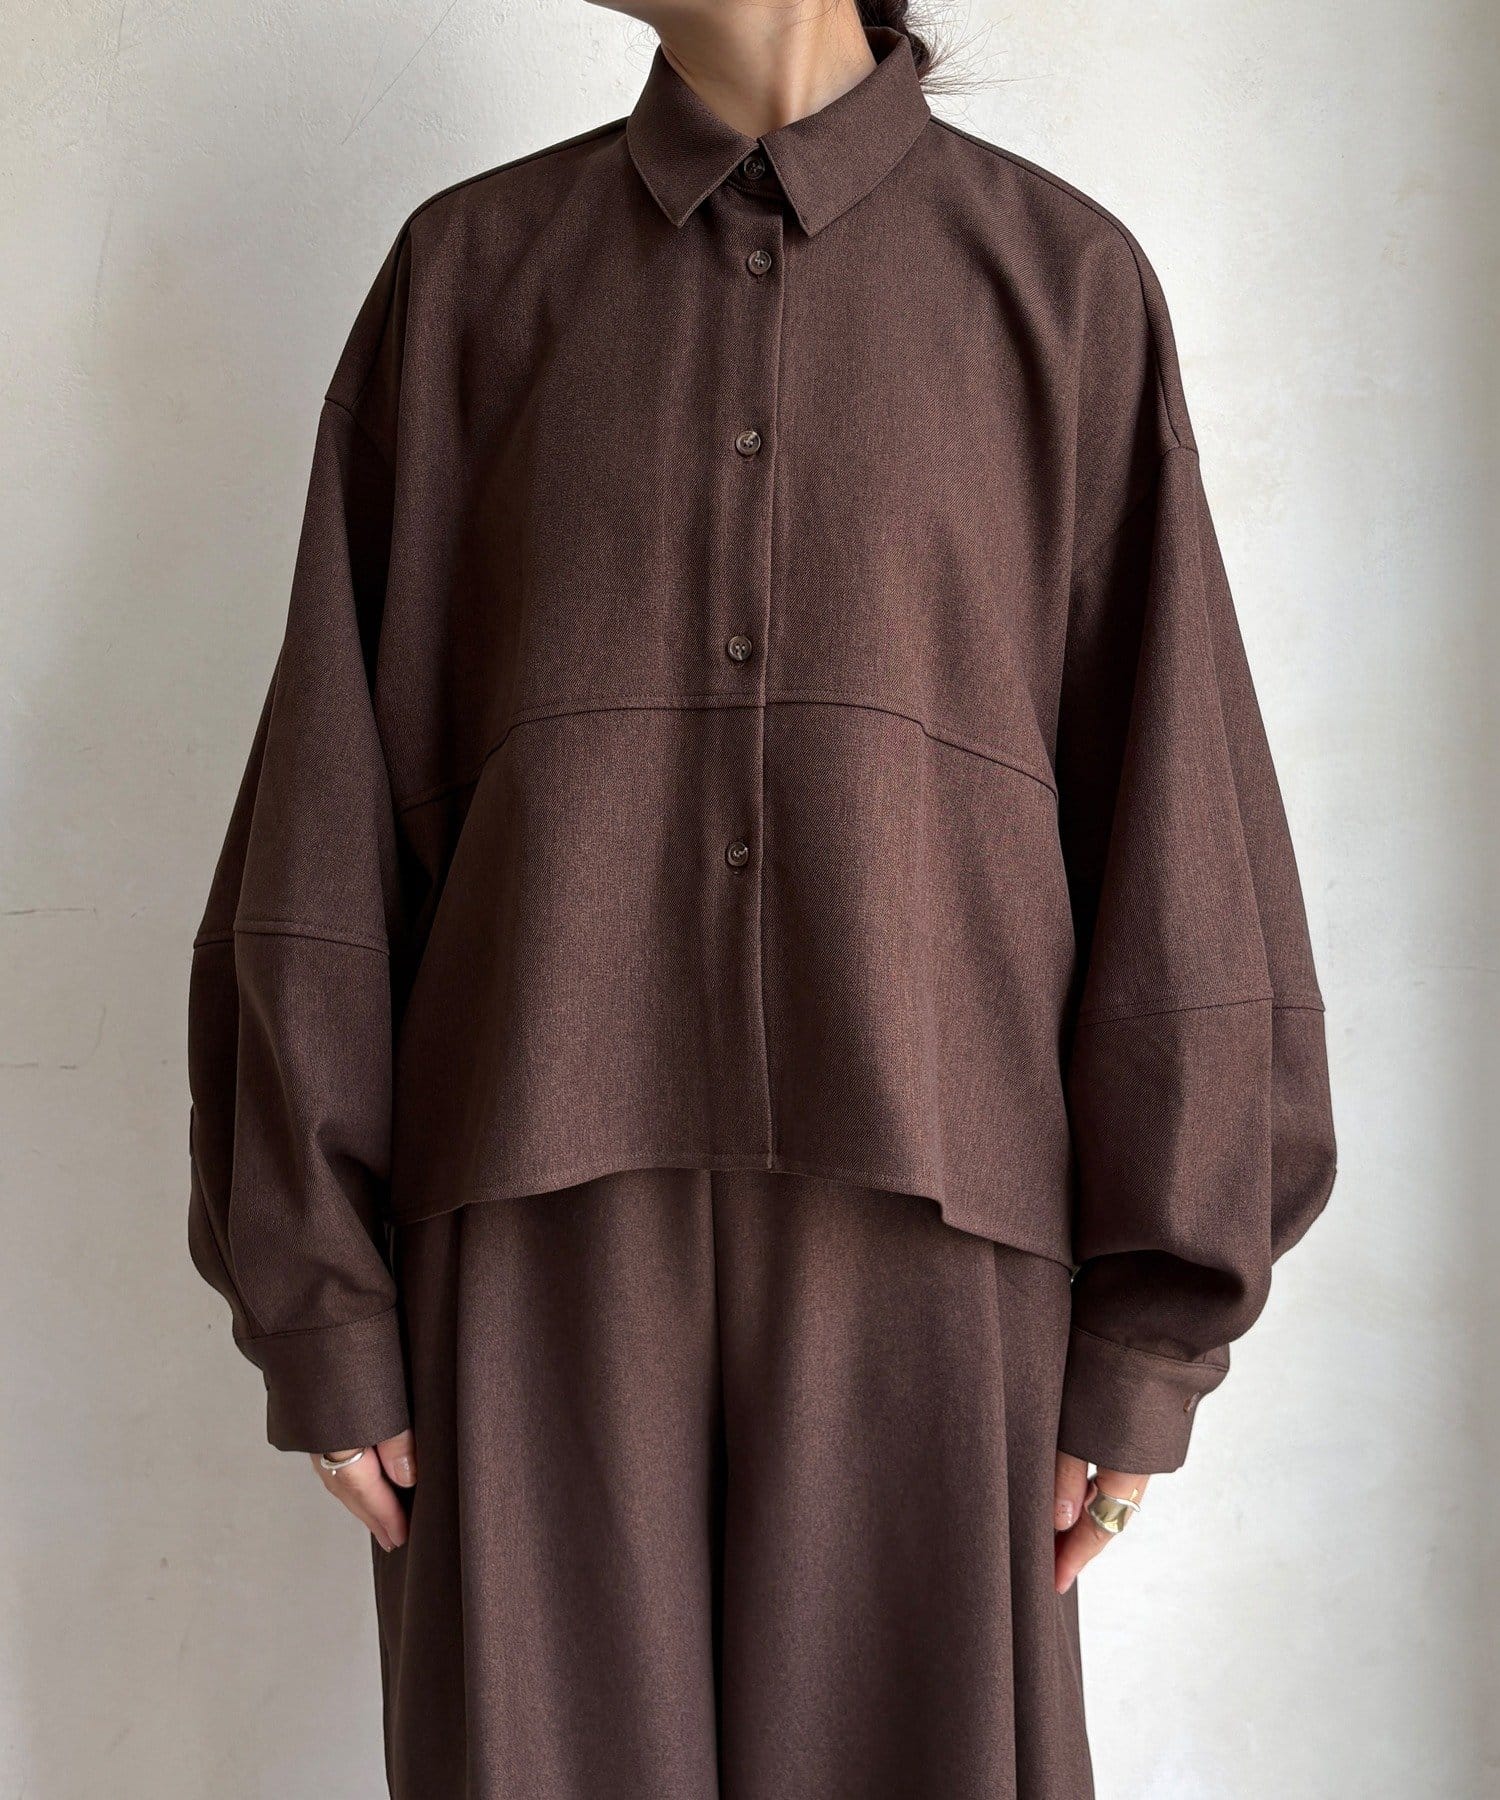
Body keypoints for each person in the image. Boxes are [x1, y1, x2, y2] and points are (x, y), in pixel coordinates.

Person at [186, 0, 1337, 1792]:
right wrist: (321, 1300)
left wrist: (1148, 1330)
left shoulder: (1060, 287)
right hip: (528, 1242)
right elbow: (325, 818)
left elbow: (1177, 821)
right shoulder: (468, 280)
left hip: (938, 1248)